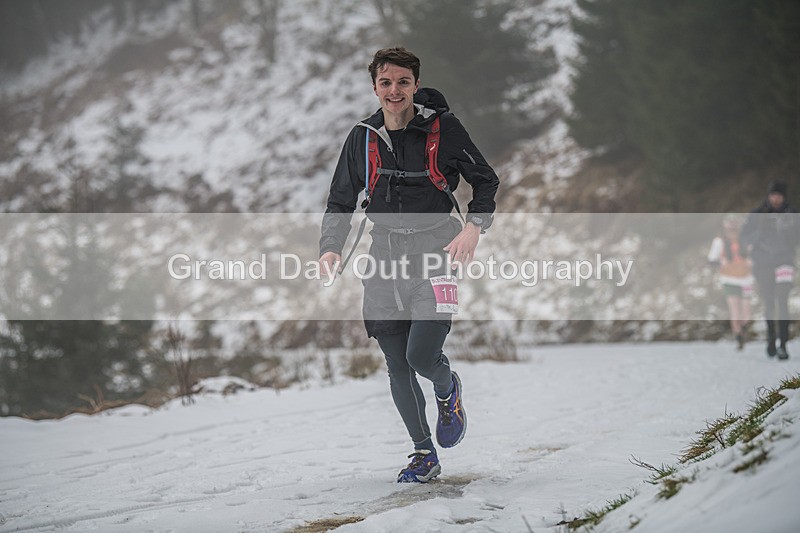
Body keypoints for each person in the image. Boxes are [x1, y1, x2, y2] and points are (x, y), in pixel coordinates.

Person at [319, 48, 499, 482]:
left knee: (421, 356)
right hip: (382, 257)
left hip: (437, 252)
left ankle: (446, 387)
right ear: (375, 87)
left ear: (416, 85)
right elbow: (341, 200)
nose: (394, 90)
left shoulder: (444, 129)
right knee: (397, 364)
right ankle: (423, 454)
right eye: (386, 83)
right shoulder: (362, 137)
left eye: (403, 82)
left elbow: (485, 180)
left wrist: (474, 228)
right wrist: (331, 247)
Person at [740, 180, 800, 360]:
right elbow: (744, 239)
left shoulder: (792, 214)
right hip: (763, 263)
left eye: (779, 195)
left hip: (784, 262)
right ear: (768, 195)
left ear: (784, 197)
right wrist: (759, 232)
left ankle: (783, 344)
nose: (776, 199)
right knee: (769, 302)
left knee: (782, 300)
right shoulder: (757, 214)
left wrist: (791, 232)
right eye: (773, 195)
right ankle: (771, 339)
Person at [707, 215, 753, 350]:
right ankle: (738, 335)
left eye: (734, 223)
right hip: (729, 278)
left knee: (746, 309)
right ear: (724, 225)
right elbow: (711, 260)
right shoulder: (719, 241)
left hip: (746, 279)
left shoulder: (746, 239)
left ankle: (744, 328)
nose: (732, 226)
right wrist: (721, 262)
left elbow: (754, 254)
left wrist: (752, 262)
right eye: (729, 223)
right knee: (734, 308)